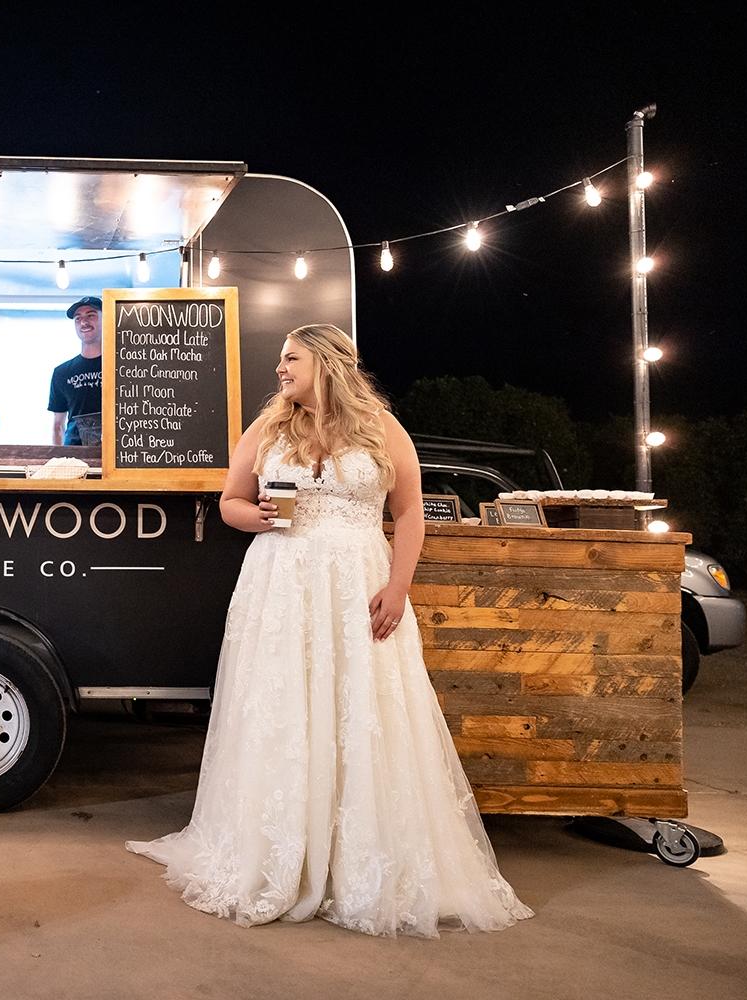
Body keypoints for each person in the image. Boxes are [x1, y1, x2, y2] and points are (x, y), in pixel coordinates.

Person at [126, 324, 532, 937]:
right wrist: (259, 516)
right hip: (281, 584)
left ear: (326, 361)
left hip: (357, 584)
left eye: (291, 358)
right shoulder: (269, 428)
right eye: (280, 359)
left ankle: (356, 857)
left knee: (361, 706)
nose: (280, 369)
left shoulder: (381, 427)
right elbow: (230, 502)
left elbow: (410, 512)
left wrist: (398, 586)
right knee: (286, 707)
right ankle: (281, 851)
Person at [48, 295, 103, 445]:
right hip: (75, 455)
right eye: (78, 318)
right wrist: (58, 457)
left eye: (91, 315)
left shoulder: (124, 368)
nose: (84, 322)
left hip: (119, 454)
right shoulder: (62, 372)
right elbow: (58, 426)